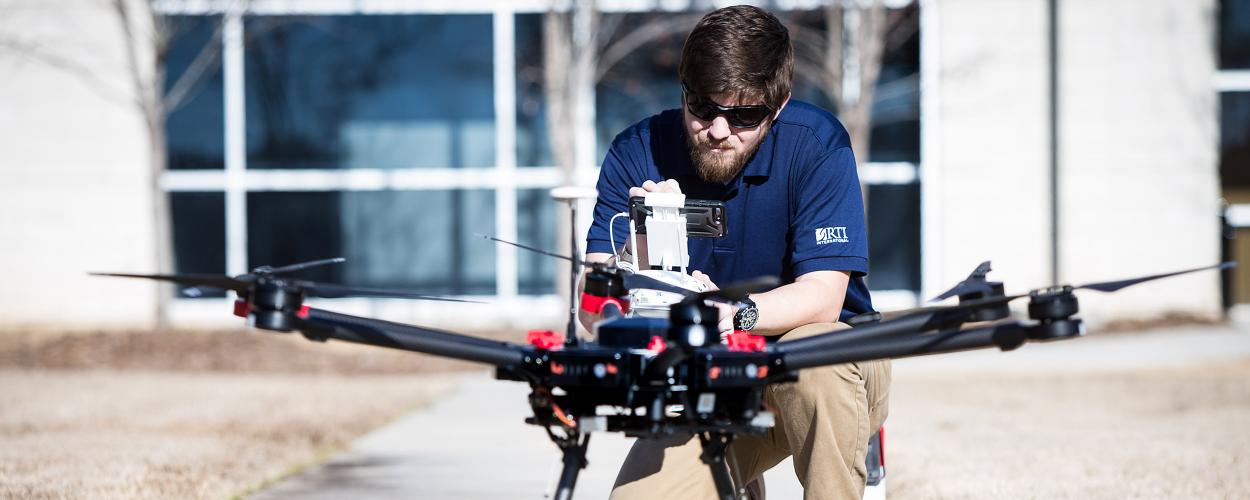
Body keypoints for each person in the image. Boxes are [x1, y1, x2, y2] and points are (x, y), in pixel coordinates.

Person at [579, 5, 891, 499]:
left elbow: (824, 298)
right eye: (704, 109)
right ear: (684, 92)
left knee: (818, 364)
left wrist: (732, 314)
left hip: (822, 363)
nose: (720, 130)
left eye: (745, 115)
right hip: (709, 385)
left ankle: (855, 455)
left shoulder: (816, 143)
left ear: (779, 105)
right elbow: (593, 312)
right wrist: (638, 251)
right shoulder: (635, 150)